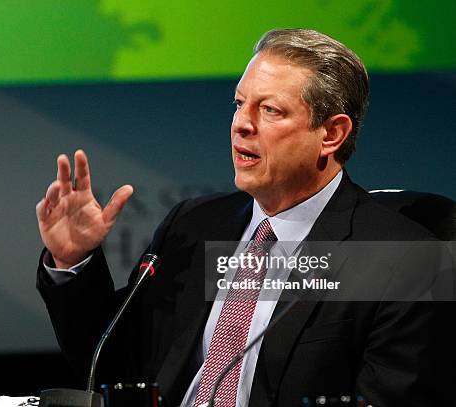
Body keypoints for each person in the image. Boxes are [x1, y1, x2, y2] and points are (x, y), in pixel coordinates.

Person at [35, 29, 450, 406]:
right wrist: (74, 261)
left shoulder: (406, 262)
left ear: (332, 134)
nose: (241, 125)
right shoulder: (196, 225)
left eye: (270, 110)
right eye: (239, 104)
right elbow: (113, 366)